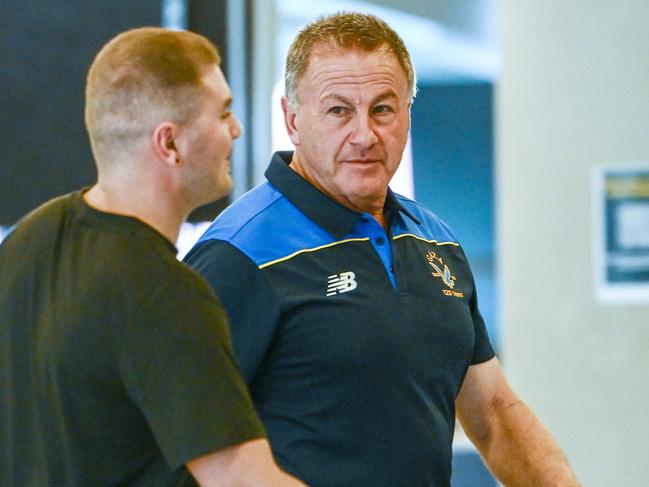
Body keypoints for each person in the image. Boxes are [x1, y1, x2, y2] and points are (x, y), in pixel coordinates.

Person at [184, 12, 580, 487]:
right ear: (292, 119)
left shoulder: (434, 240)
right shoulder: (238, 254)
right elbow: (188, 446)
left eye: (383, 109)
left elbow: (492, 413)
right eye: (338, 111)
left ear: (408, 113)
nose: (364, 135)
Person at [0, 27, 306, 486]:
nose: (236, 130)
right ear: (170, 144)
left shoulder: (27, 240)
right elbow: (242, 480)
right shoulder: (165, 293)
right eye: (223, 113)